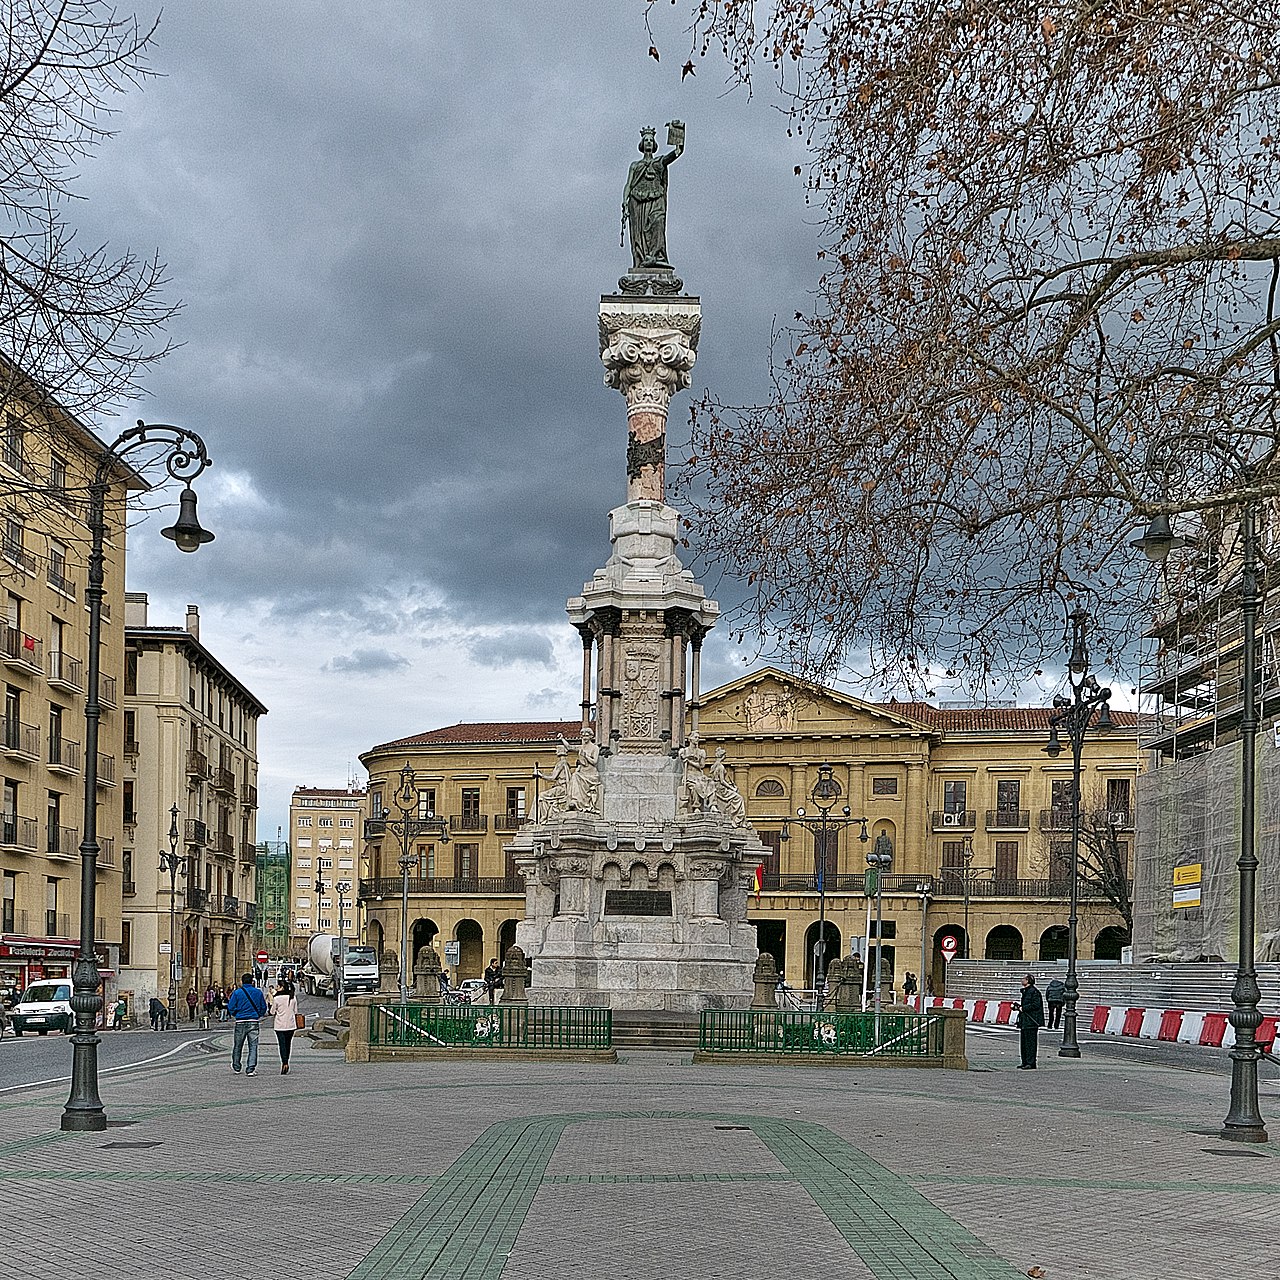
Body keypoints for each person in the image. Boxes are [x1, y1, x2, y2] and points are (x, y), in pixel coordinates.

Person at [226, 972, 268, 1076]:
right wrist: (258, 1014)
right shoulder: (258, 992)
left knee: (238, 1045)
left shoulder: (237, 993)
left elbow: (230, 1007)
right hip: (253, 1020)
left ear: (242, 981)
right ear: (252, 981)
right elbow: (263, 1007)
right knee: (253, 1046)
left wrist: (236, 1014)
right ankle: (250, 1068)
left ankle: (236, 1066)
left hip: (240, 1021)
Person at [1014, 973, 1045, 1069]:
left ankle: (1031, 1063)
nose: (1022, 980)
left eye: (1024, 979)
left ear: (1028, 981)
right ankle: (1024, 1061)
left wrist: (1024, 1008)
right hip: (1025, 1020)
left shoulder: (1034, 992)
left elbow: (1036, 1005)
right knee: (1024, 1043)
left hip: (1031, 1021)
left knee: (1030, 1043)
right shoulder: (1026, 991)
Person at [271, 978, 300, 1075]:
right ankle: (286, 1061)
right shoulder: (292, 998)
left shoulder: (276, 999)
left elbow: (272, 1011)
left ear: (282, 987)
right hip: (291, 1024)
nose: (276, 988)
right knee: (288, 1044)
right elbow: (295, 1011)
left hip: (280, 1025)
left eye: (278, 986)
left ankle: (284, 1062)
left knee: (282, 1044)